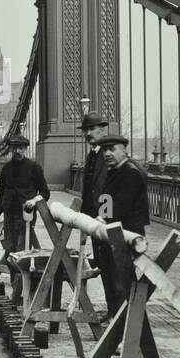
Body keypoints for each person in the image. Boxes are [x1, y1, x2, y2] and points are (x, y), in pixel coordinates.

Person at [94, 134, 150, 313]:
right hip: (113, 232)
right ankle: (114, 316)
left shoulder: (130, 172)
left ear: (124, 150)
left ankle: (122, 322)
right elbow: (105, 199)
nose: (107, 153)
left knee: (120, 281)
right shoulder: (114, 171)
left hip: (127, 235)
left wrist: (103, 220)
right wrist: (101, 218)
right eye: (104, 150)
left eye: (112, 149)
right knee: (110, 275)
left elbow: (122, 205)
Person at [0, 133, 49, 299]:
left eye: (20, 148)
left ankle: (19, 294)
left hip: (26, 216)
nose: (17, 151)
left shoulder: (34, 167)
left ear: (26, 149)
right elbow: (1, 192)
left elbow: (45, 193)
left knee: (21, 251)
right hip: (9, 216)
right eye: (14, 148)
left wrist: (34, 200)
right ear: (11, 149)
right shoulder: (6, 169)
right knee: (10, 251)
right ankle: (16, 286)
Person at [78, 112, 120, 317]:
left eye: (91, 129)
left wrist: (104, 217)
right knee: (103, 265)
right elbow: (90, 189)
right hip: (94, 221)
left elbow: (108, 188)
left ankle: (118, 313)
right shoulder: (93, 154)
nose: (87, 133)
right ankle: (112, 309)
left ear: (102, 130)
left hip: (106, 221)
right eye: (85, 130)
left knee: (113, 267)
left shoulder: (107, 154)